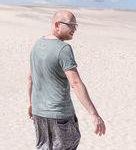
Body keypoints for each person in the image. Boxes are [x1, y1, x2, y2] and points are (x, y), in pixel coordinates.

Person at [28, 10, 106, 150]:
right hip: (59, 115)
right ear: (57, 24)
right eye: (71, 25)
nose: (74, 29)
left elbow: (30, 78)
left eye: (76, 25)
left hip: (39, 113)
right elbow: (75, 83)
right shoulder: (63, 48)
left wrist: (31, 103)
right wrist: (94, 114)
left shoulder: (37, 44)